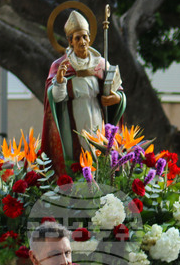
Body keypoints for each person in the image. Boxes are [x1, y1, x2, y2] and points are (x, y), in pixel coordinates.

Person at [42, 10, 125, 175]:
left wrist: (116, 98)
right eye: (77, 38)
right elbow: (56, 99)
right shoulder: (60, 66)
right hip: (74, 120)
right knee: (77, 157)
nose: (82, 41)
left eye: (85, 37)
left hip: (97, 116)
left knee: (99, 153)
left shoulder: (101, 64)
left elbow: (119, 92)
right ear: (70, 41)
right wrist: (59, 80)